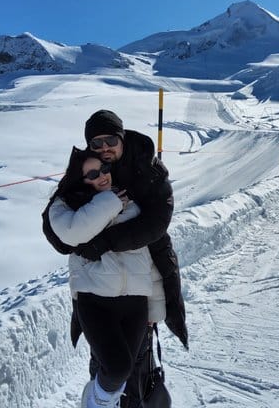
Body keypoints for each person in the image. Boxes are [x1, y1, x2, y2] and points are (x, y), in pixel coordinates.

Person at [43, 110, 188, 407]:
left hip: (139, 286)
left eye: (110, 140)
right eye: (96, 143)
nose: (104, 148)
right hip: (98, 291)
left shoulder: (147, 170)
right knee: (107, 365)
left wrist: (102, 243)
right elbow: (57, 226)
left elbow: (155, 227)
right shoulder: (86, 174)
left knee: (136, 367)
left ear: (122, 138)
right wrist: (72, 238)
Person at [47, 149, 152, 408]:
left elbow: (148, 255)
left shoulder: (129, 199)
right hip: (96, 301)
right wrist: (110, 202)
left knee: (126, 370)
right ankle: (97, 401)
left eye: (104, 169)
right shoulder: (66, 206)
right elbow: (72, 233)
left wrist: (156, 306)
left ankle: (109, 399)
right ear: (79, 179)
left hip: (136, 301)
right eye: (93, 174)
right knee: (117, 368)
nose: (102, 176)